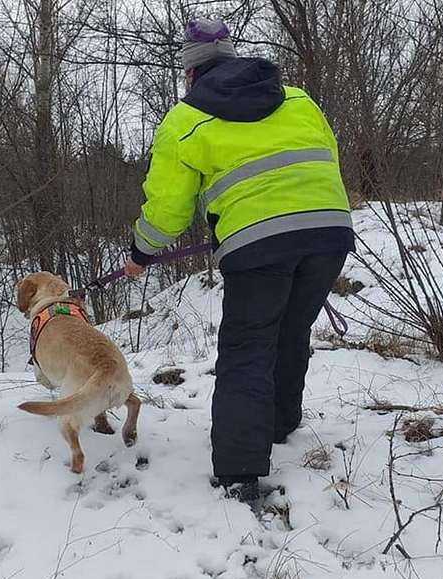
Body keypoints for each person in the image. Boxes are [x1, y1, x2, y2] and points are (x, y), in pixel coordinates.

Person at [123, 17, 354, 504]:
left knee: (247, 349)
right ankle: (278, 427)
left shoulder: (186, 119)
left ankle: (239, 472)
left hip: (259, 246)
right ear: (232, 58)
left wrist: (142, 251)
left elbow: (166, 209)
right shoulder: (297, 98)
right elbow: (325, 157)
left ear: (191, 75)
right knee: (290, 332)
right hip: (330, 231)